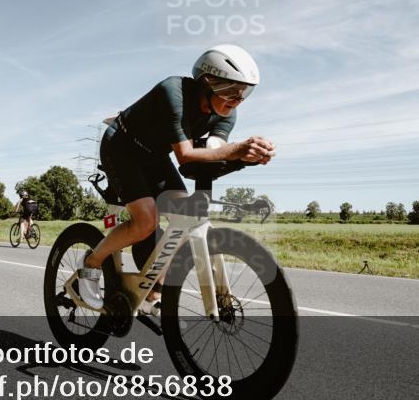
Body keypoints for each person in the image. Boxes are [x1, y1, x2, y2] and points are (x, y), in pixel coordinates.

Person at [77, 44, 274, 314]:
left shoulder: (228, 114)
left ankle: (154, 290)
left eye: (244, 93)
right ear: (207, 82)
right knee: (146, 221)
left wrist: (245, 159)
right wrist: (239, 149)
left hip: (155, 156)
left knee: (188, 216)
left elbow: (212, 153)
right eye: (230, 90)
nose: (236, 99)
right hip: (121, 146)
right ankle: (91, 265)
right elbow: (185, 155)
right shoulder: (174, 91)